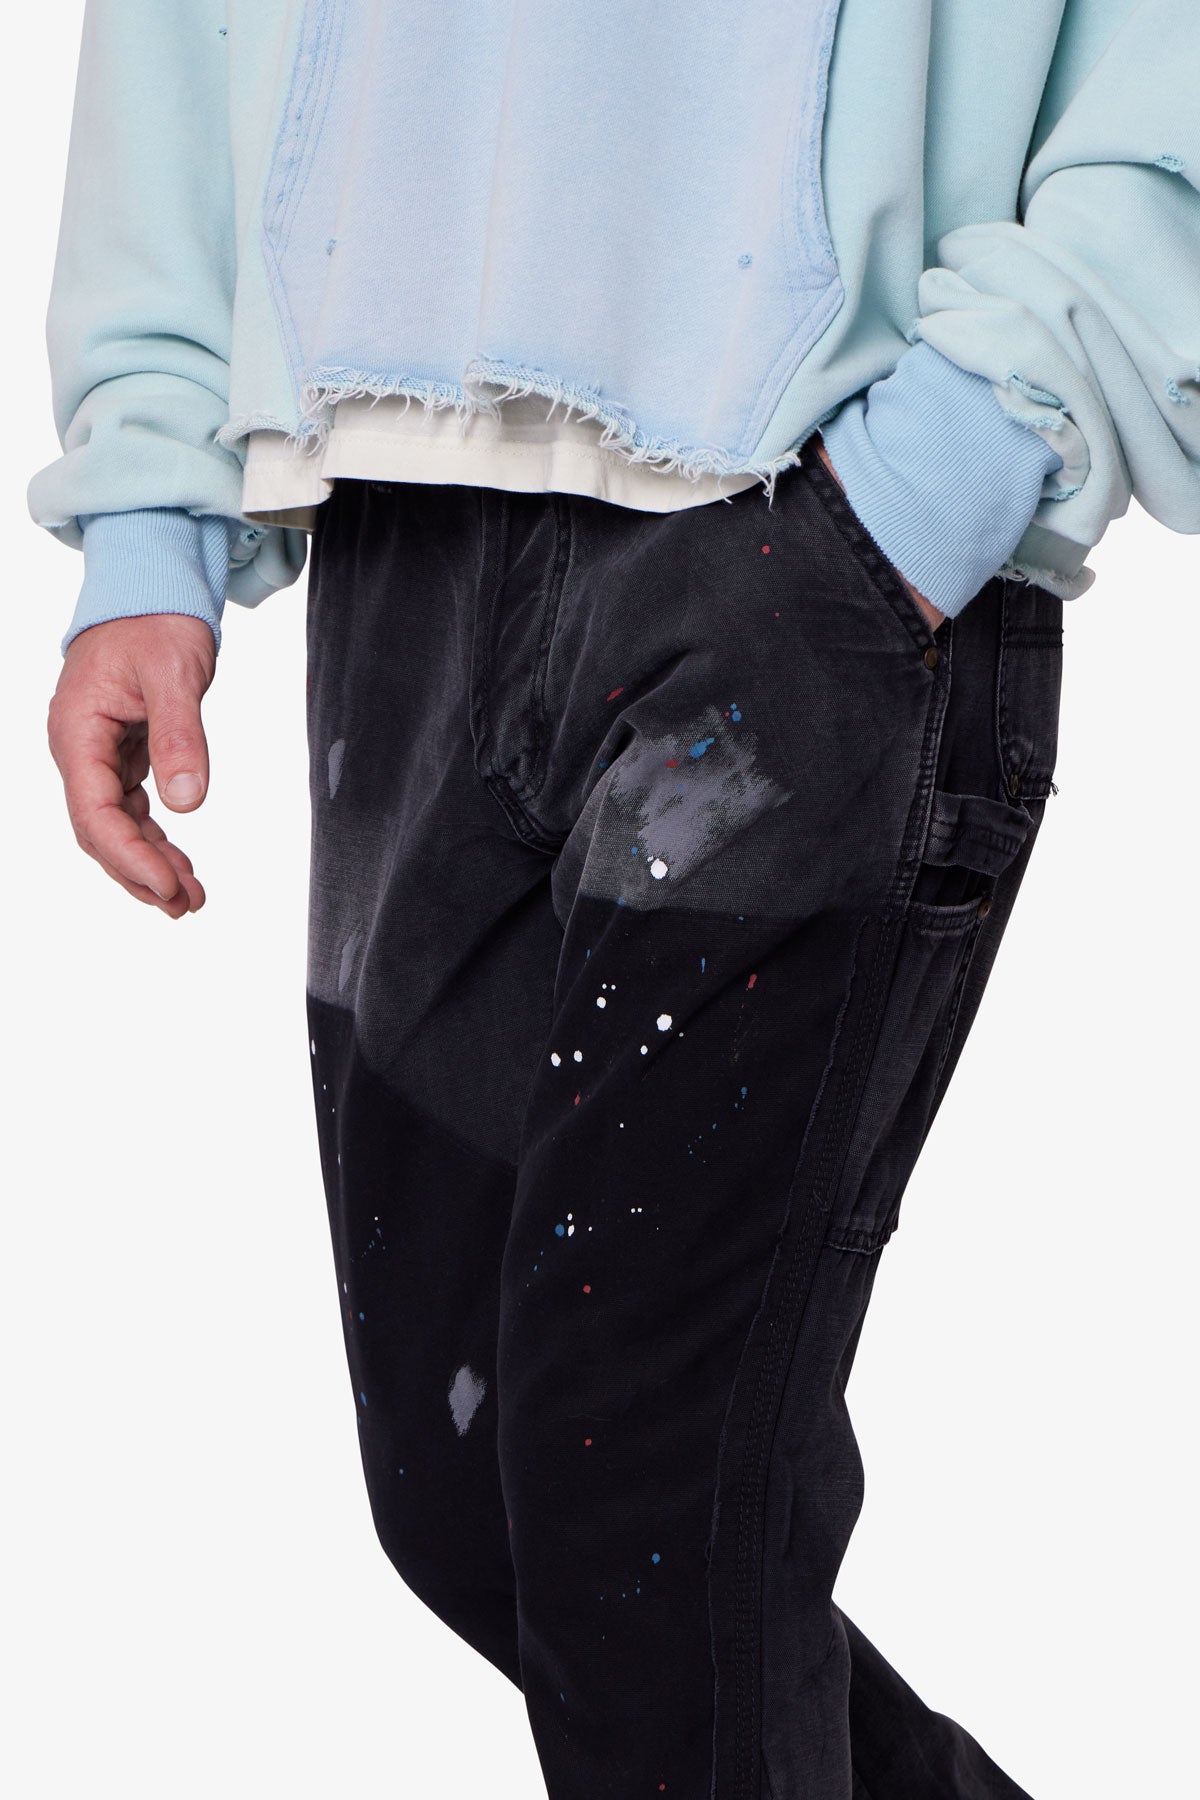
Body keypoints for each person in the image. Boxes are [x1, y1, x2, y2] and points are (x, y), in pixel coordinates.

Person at [29, 4, 1199, 1796]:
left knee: (635, 1521)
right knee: (475, 1496)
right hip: (400, 519)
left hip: (809, 531)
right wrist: (153, 493)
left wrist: (968, 444)